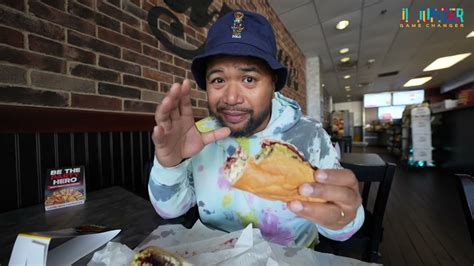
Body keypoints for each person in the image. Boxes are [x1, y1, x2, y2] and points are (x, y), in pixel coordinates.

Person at [149, 10, 364, 248]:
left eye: (249, 79)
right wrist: (169, 165)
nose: (231, 97)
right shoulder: (199, 135)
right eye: (218, 80)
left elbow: (342, 224)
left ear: (273, 84)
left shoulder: (309, 134)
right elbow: (170, 210)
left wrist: (344, 218)